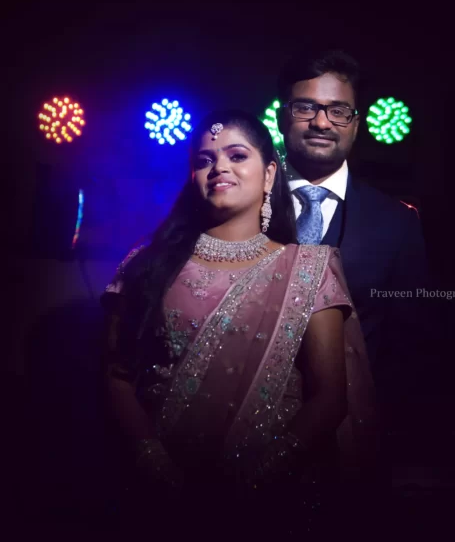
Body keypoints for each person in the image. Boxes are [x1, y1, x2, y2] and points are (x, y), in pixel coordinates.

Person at [101, 110, 379, 522]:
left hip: (272, 501)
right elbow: (116, 374)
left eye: (236, 155)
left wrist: (256, 480)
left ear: (269, 175)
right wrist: (151, 459)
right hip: (158, 492)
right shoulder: (146, 264)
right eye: (205, 160)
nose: (219, 167)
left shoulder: (309, 270)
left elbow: (330, 398)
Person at [276, 49, 429, 395]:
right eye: (306, 107)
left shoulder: (396, 223)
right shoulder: (242, 205)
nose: (321, 123)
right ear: (283, 118)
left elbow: (411, 346)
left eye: (338, 111)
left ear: (356, 125)